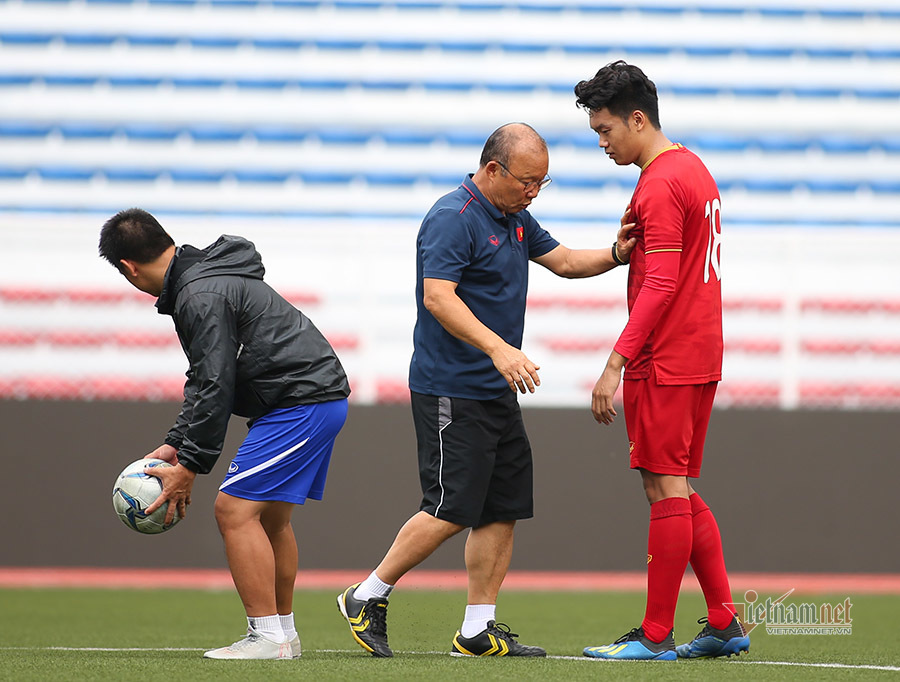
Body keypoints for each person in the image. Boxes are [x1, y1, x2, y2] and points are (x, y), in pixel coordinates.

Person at [337, 122, 636, 658]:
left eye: (542, 183)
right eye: (528, 181)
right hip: (450, 387)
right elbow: (438, 298)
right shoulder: (453, 218)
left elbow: (564, 261)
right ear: (493, 169)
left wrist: (618, 252)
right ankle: (366, 594)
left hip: (492, 391)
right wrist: (501, 349)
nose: (534, 193)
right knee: (450, 506)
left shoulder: (514, 217)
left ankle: (477, 628)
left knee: (502, 507)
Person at [98, 209, 351, 660]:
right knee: (270, 520)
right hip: (311, 398)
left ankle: (267, 637)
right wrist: (177, 442)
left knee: (233, 511)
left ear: (128, 268)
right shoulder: (203, 280)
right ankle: (284, 635)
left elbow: (217, 381)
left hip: (300, 402)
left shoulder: (198, 293)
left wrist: (191, 466)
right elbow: (205, 376)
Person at [573, 61, 750, 661]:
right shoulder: (693, 168)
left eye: (605, 130)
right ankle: (724, 621)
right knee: (675, 484)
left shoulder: (659, 181)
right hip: (698, 350)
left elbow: (664, 281)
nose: (602, 143)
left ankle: (655, 635)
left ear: (638, 119)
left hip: (666, 356)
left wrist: (616, 361)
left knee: (663, 485)